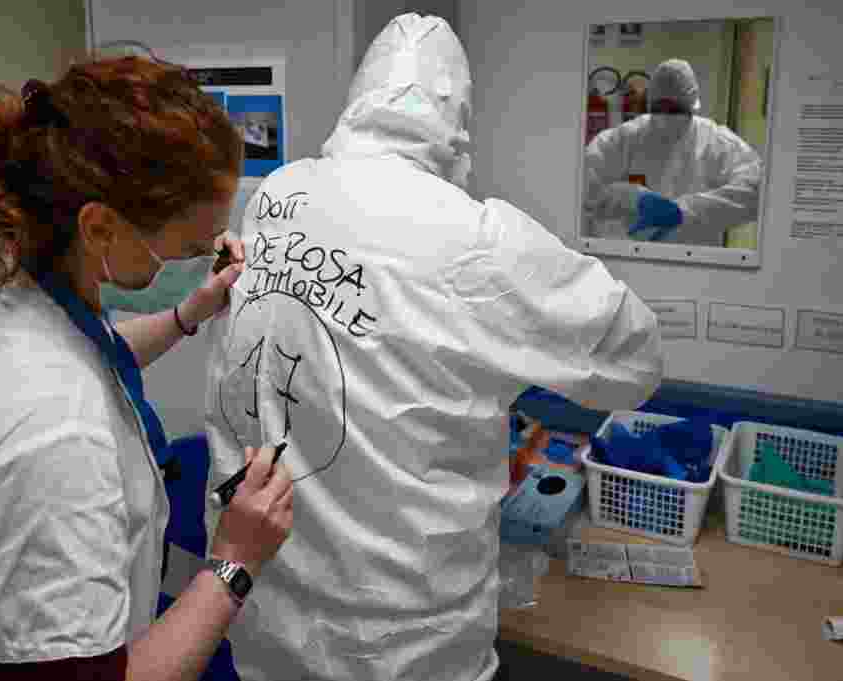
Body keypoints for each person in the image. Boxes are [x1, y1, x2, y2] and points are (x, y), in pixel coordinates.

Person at [204, 13, 662, 681]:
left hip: (269, 618)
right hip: (407, 645)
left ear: (360, 98)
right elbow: (637, 359)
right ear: (457, 120)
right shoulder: (475, 239)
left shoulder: (281, 194)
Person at [0, 56, 294, 681]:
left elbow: (81, 348)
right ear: (98, 224)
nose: (206, 255)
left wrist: (187, 311)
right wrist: (235, 560)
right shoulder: (52, 434)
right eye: (189, 247)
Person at [584, 58, 763, 245]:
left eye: (675, 109)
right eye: (659, 109)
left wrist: (685, 211)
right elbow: (582, 181)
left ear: (692, 106)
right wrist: (625, 196)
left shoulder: (715, 142)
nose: (666, 118)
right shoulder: (625, 139)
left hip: (697, 261)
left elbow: (756, 188)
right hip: (635, 258)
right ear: (649, 105)